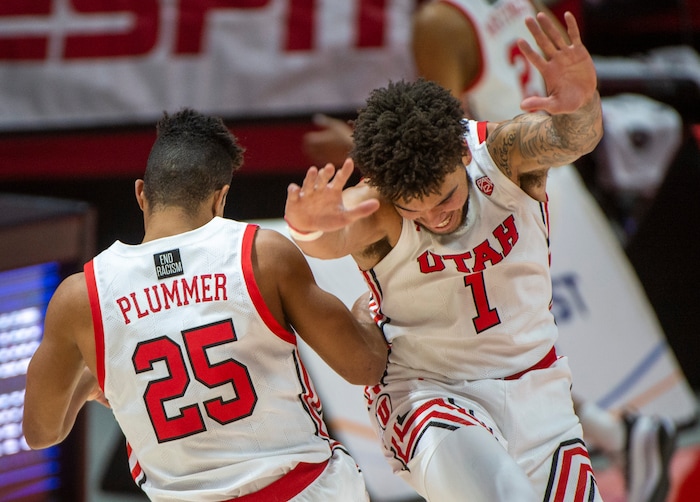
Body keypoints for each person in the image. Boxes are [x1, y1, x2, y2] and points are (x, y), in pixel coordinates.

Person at [302, 2, 679, 501]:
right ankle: (617, 432)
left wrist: (584, 103)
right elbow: (332, 235)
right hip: (432, 394)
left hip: (536, 387)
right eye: (418, 210)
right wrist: (307, 227)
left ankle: (617, 433)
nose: (435, 217)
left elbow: (571, 136)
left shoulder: (496, 147)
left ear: (463, 151)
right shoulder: (386, 202)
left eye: (444, 199)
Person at [22, 108, 390, 501]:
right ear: (221, 198)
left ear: (141, 193)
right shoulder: (261, 255)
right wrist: (364, 305)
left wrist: (90, 382)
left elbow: (41, 432)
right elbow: (366, 366)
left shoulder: (80, 296)